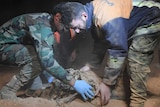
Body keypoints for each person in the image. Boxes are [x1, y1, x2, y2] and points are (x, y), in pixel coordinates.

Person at [52, 0, 160, 107]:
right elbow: (101, 42)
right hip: (133, 19)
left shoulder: (107, 19)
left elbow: (118, 51)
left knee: (135, 59)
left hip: (152, 17)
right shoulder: (92, 12)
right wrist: (91, 65)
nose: (77, 31)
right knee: (120, 56)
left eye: (76, 27)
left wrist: (107, 83)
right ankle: (122, 90)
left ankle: (137, 102)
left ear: (84, 15)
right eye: (74, 28)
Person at [0, 12, 95, 100]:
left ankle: (33, 89)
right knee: (38, 60)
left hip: (12, 44)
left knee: (41, 55)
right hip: (3, 46)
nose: (66, 30)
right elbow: (47, 61)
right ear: (57, 17)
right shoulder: (43, 26)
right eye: (66, 27)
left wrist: (50, 76)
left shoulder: (49, 21)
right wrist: (74, 83)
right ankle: (8, 91)